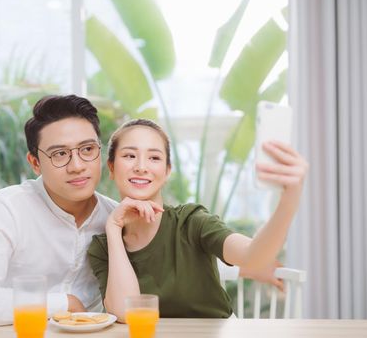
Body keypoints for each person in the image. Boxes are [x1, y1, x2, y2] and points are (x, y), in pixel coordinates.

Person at [87, 119, 308, 320]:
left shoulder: (191, 222)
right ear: (112, 168)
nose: (141, 167)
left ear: (166, 172)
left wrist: (290, 199)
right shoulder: (103, 246)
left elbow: (252, 257)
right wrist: (114, 227)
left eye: (154, 157)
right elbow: (127, 314)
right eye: (129, 156)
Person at [0, 95, 118, 327]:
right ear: (35, 162)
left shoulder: (115, 217)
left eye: (88, 149)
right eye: (60, 154)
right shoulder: (8, 208)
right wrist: (65, 304)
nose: (77, 166)